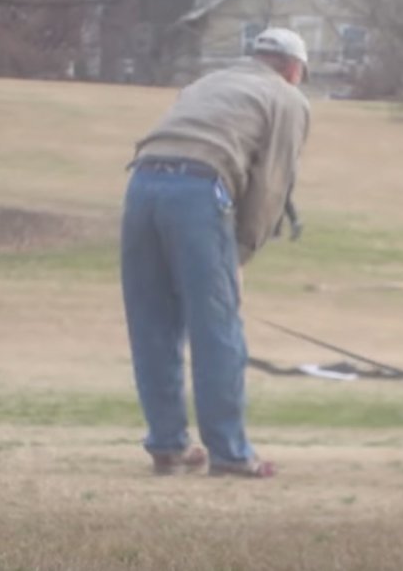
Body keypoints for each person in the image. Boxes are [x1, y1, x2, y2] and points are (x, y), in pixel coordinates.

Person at [120, 28, 311, 478]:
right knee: (216, 329)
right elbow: (271, 185)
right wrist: (240, 254)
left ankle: (167, 446)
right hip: (199, 191)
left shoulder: (208, 83)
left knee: (153, 324)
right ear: (292, 69)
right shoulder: (287, 98)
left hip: (142, 184)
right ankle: (230, 452)